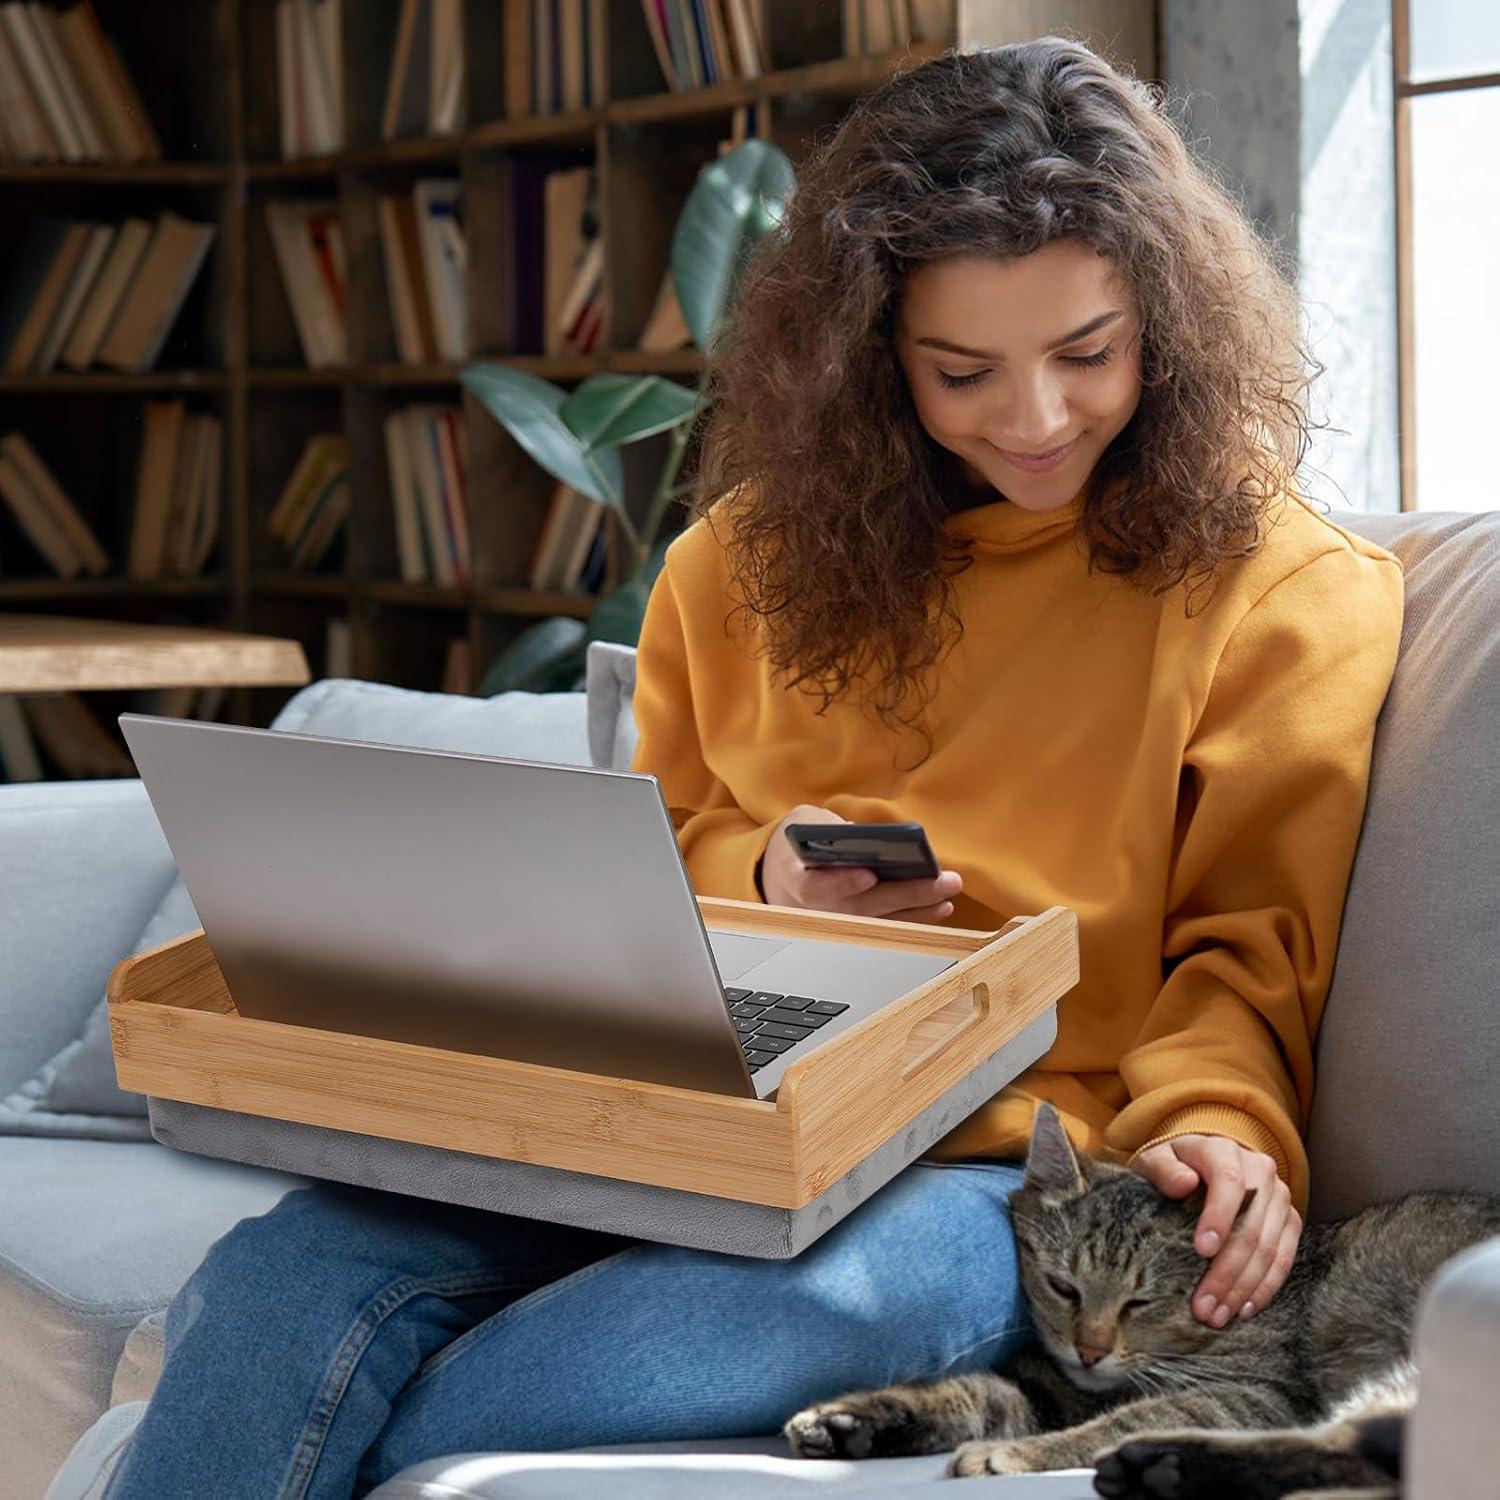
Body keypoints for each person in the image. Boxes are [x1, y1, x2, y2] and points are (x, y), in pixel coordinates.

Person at [86, 37, 1403, 1500]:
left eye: (1088, 354)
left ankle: (256, 1439)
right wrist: (768, 875)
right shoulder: (738, 563)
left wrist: (1218, 1136)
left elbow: (1250, 949)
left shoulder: (1284, 588)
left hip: (994, 1161)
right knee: (288, 1271)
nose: (1035, 419)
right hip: (690, 1108)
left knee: (820, 1309)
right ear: (869, 356)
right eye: (963, 371)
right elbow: (665, 851)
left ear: (1169, 318)